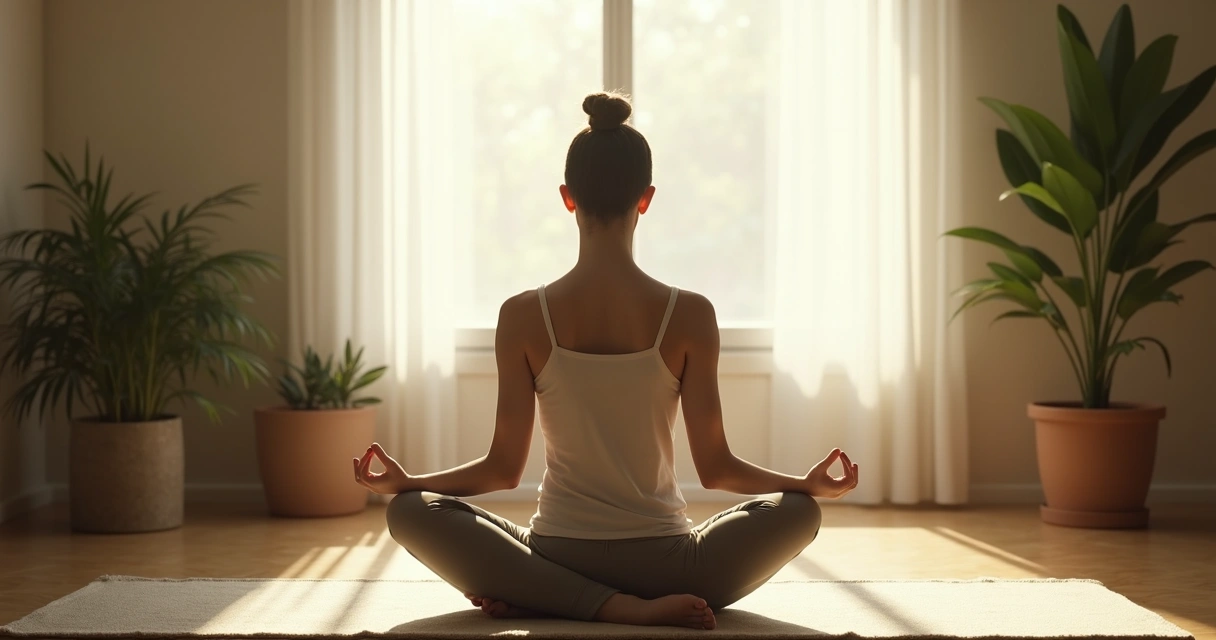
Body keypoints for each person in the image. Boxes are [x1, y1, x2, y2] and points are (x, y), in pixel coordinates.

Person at [353, 92, 859, 631]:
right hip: (671, 568)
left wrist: (409, 483)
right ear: (646, 199)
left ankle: (557, 597)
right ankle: (627, 606)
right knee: (800, 512)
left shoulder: (523, 315)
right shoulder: (689, 314)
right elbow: (716, 469)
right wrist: (806, 486)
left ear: (568, 198)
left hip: (554, 557)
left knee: (408, 512)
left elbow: (502, 469)